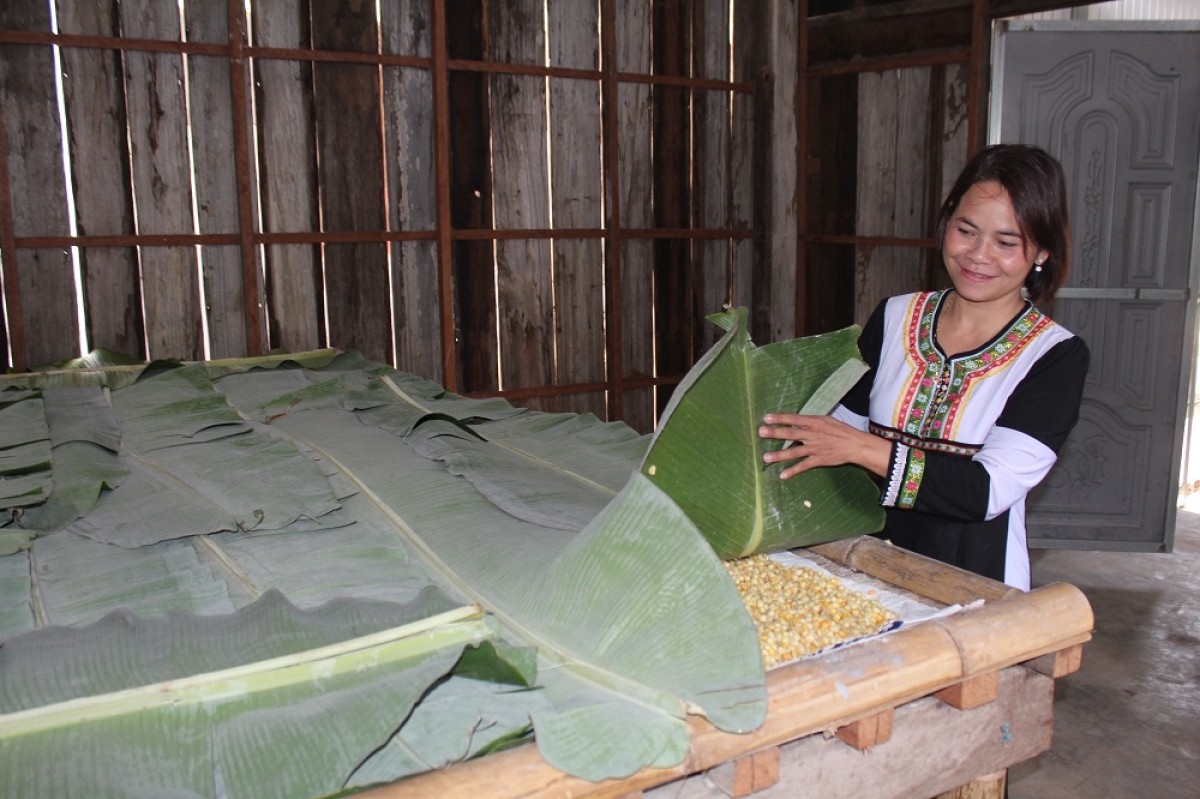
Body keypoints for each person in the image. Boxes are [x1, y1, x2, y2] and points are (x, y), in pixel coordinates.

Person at [759, 144, 1089, 591]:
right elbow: (835, 430)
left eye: (1006, 242)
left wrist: (862, 448)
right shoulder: (895, 315)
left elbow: (986, 491)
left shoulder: (1054, 356)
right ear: (946, 222)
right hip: (862, 554)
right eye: (966, 230)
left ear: (1042, 252)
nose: (978, 255)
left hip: (973, 574)